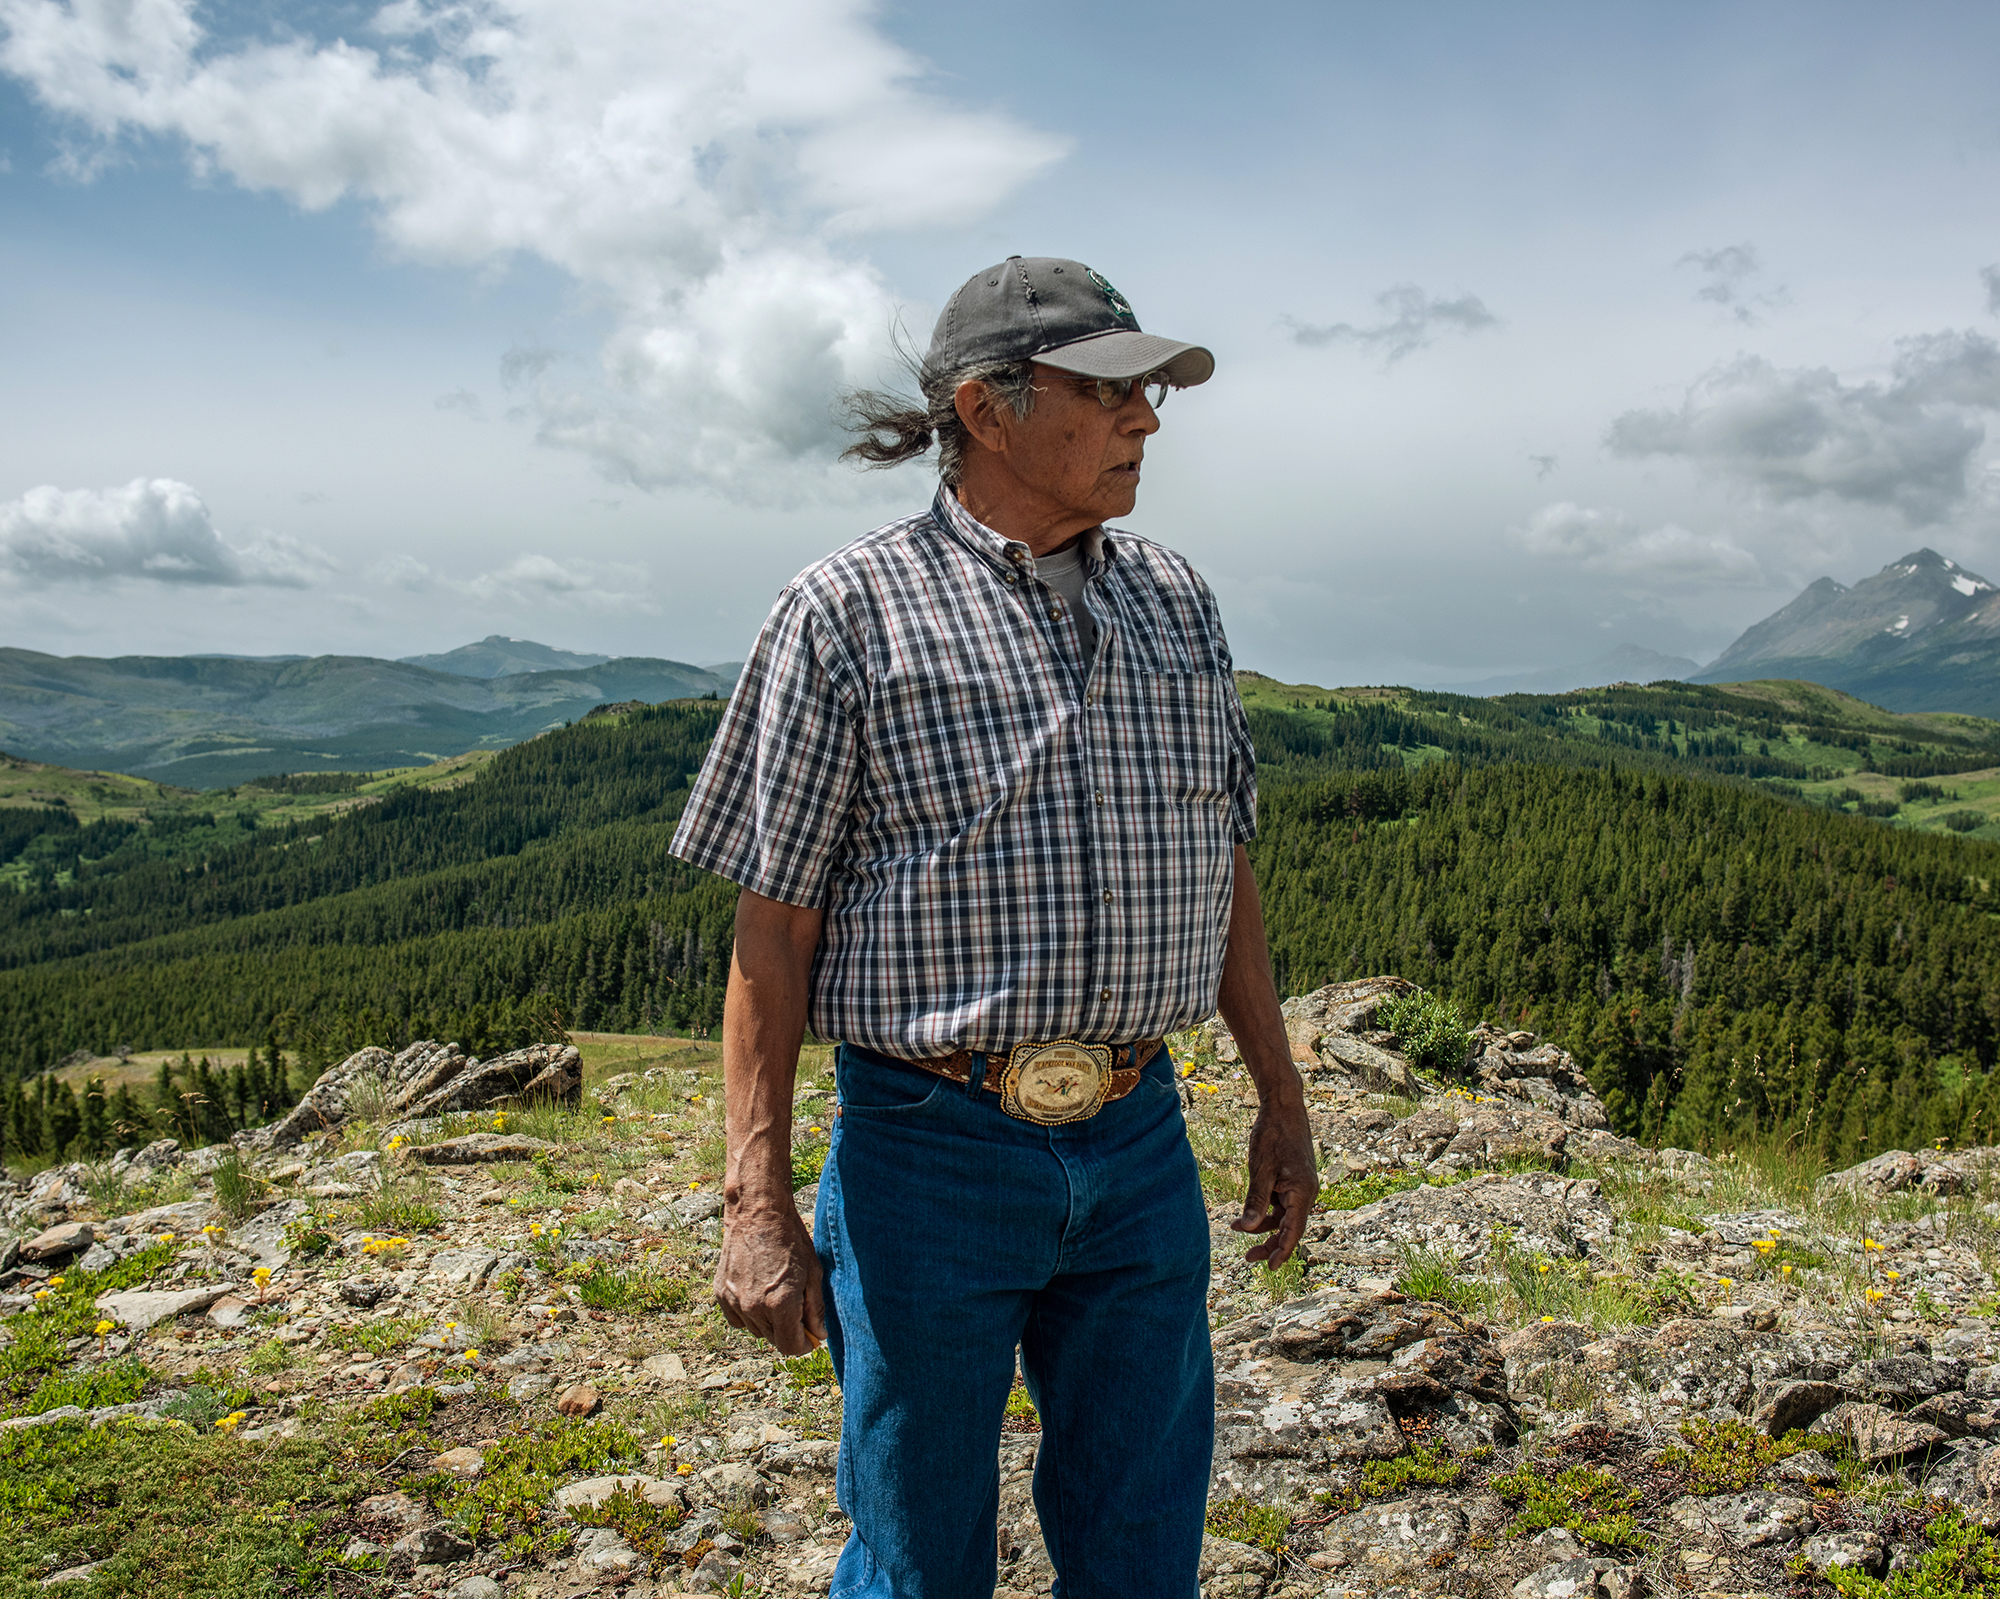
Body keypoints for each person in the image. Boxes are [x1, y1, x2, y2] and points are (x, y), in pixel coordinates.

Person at [670, 256, 1317, 1599]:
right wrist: (755, 1203)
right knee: (918, 1558)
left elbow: (1224, 864)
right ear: (987, 408)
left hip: (1141, 1140)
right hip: (927, 1153)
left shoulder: (1178, 605)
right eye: (1113, 391)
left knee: (1144, 1547)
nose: (1149, 420)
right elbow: (771, 931)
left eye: (1151, 393)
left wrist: (1278, 1093)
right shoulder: (844, 614)